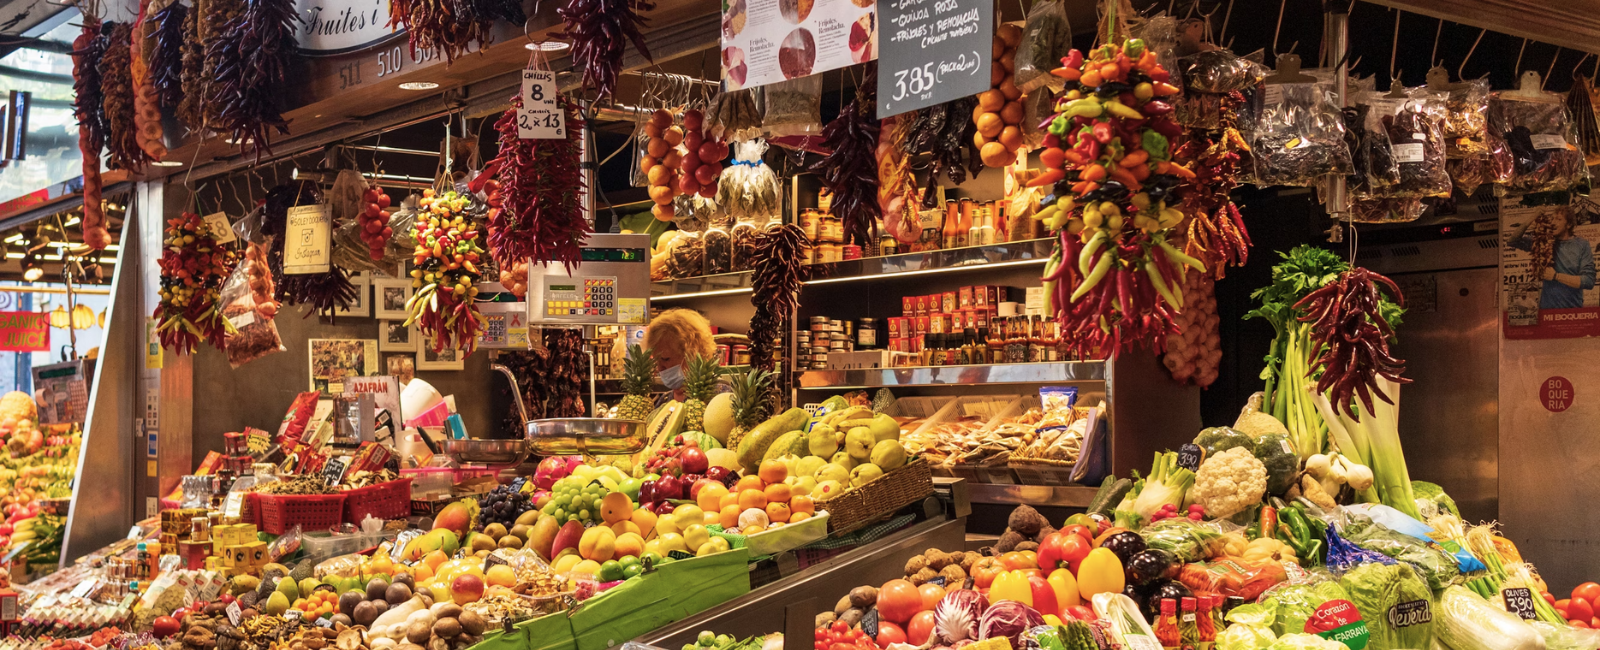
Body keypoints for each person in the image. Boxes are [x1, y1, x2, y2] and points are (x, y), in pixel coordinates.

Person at [1510, 208, 1597, 309]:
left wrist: (1556, 276)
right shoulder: (1543, 241)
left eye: (1558, 219)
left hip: (1572, 310)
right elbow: (1512, 241)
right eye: (1552, 219)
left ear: (1569, 225)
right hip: (1547, 311)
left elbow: (1588, 281)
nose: (1553, 222)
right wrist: (1532, 218)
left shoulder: (1582, 245)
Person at [645, 309, 717, 401]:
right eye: (656, 361)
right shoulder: (665, 399)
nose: (659, 368)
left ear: (693, 354)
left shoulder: (719, 398)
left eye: (666, 359)